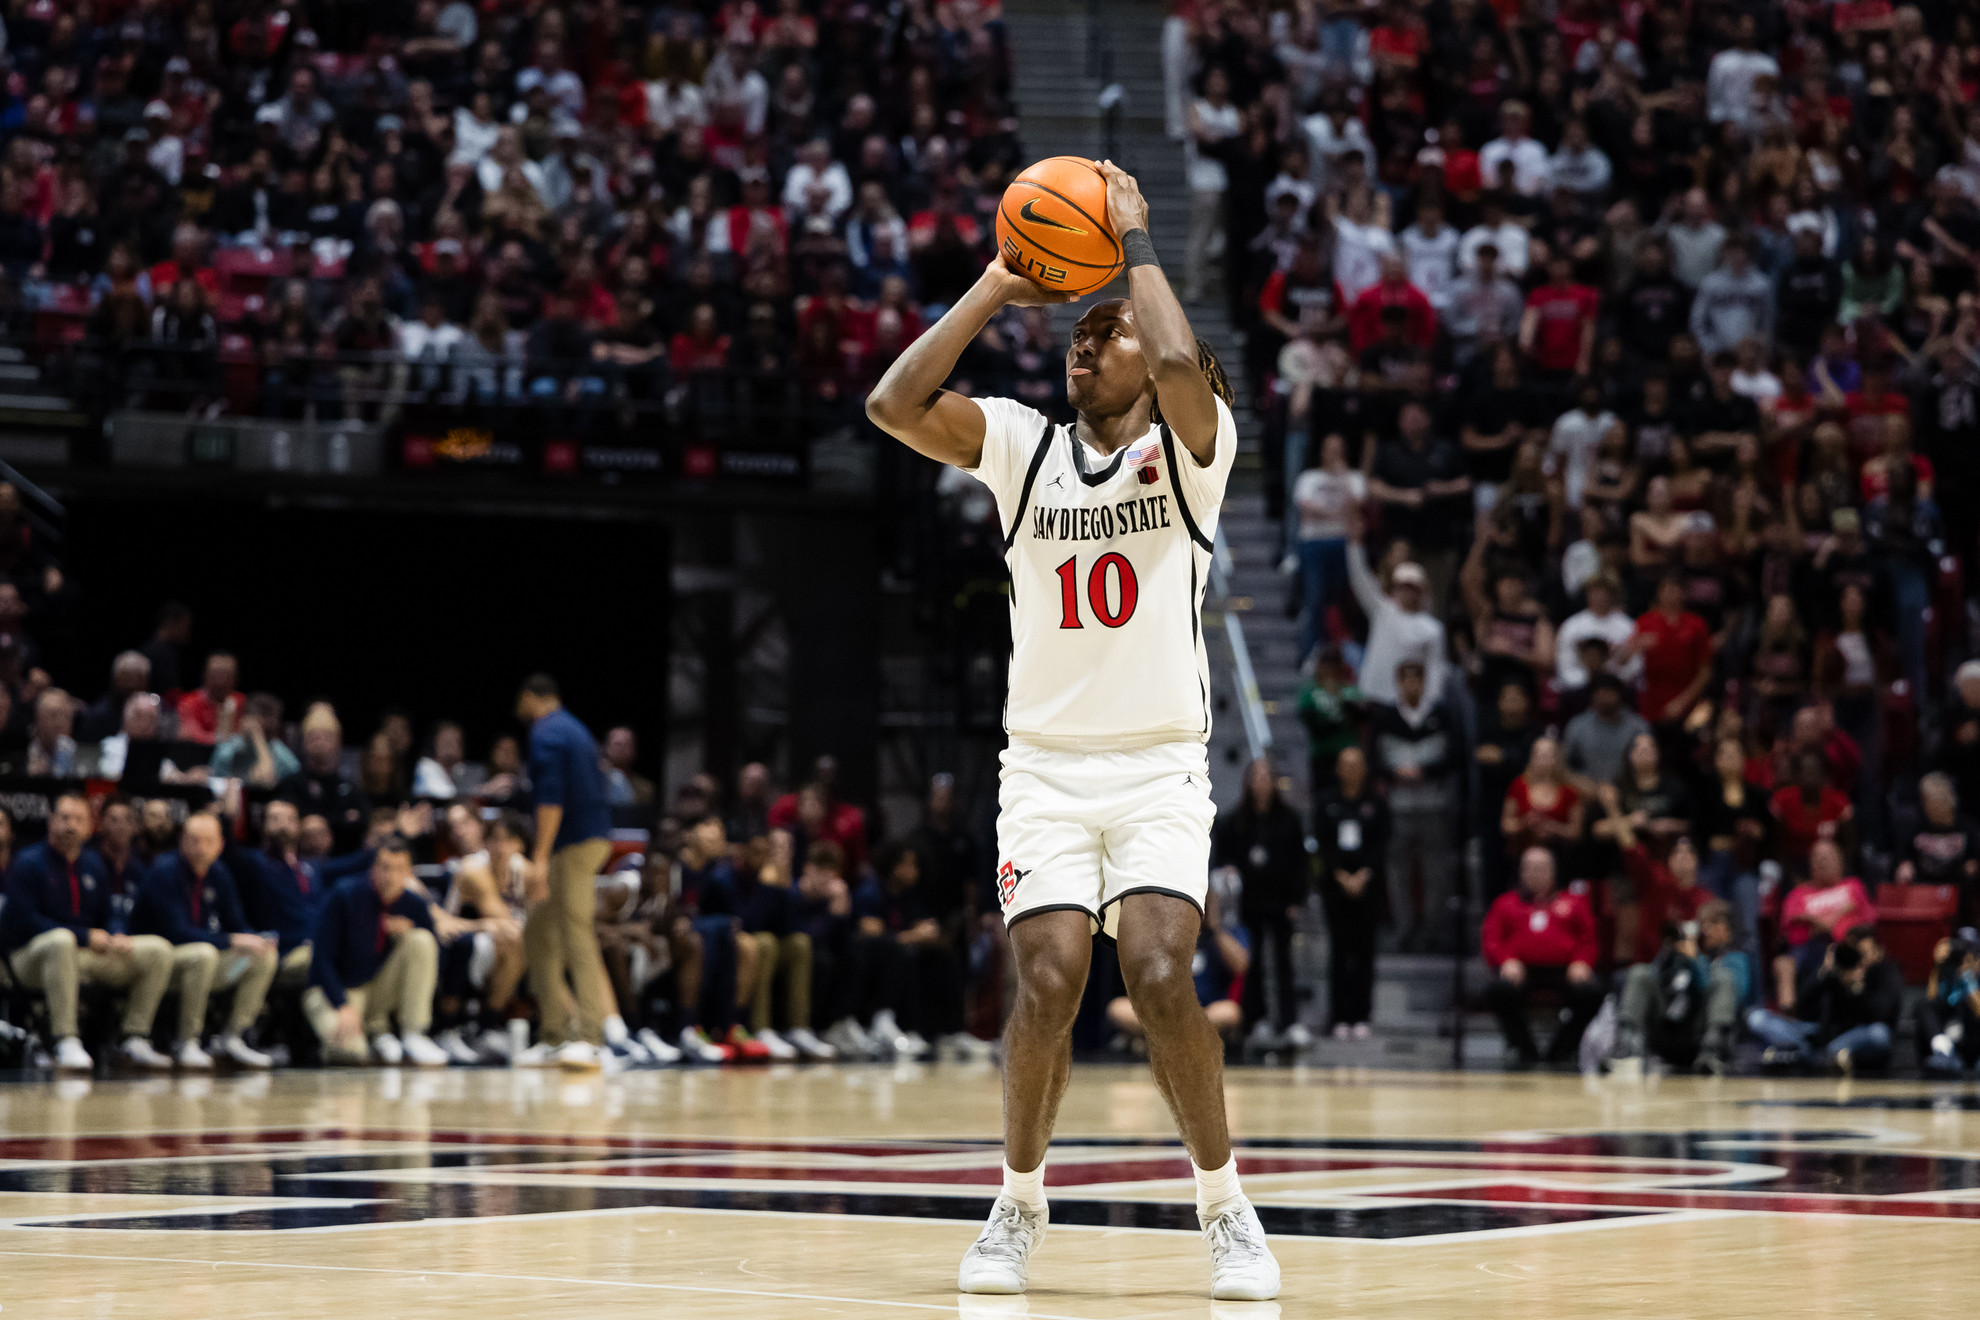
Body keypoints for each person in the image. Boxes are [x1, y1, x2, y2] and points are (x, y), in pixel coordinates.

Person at [864, 161, 1279, 1300]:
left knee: (1153, 970)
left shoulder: (1198, 453)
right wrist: (1000, 284)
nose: (1082, 347)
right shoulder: (1019, 445)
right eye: (1078, 332)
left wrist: (1135, 247)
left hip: (1157, 771)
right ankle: (1017, 1199)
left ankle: (1224, 1203)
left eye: (1108, 335)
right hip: (1044, 772)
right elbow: (892, 405)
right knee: (1044, 982)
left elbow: (1188, 366)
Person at [0, 792, 175, 1072]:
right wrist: (83, 936)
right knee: (61, 941)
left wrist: (116, 932)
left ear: (90, 826)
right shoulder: (28, 862)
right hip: (27, 960)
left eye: (78, 819)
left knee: (157, 950)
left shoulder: (93, 864)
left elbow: (109, 916)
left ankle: (133, 1038)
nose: (70, 825)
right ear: (51, 822)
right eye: (65, 818)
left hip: (83, 955)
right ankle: (65, 1039)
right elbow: (21, 922)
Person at [514, 673, 616, 1070]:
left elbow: (551, 797)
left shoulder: (546, 732)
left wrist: (539, 859)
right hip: (583, 838)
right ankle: (554, 1033)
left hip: (572, 843)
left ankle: (592, 1037)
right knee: (538, 931)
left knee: (576, 930)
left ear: (529, 698)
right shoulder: (574, 728)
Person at [129, 811, 279, 1070]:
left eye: (209, 841)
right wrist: (232, 940)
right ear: (182, 842)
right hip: (163, 964)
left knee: (261, 956)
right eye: (194, 840)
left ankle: (233, 1037)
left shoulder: (219, 873)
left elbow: (236, 923)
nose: (201, 848)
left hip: (204, 964)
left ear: (220, 845)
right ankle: (187, 1040)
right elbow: (176, 932)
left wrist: (256, 939)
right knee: (203, 954)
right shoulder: (164, 872)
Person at [303, 835, 450, 1067]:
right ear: (373, 868)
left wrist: (403, 933)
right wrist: (342, 1004)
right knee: (350, 1053)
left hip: (377, 989)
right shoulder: (344, 896)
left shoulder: (414, 904)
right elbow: (321, 960)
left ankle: (413, 1033)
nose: (390, 876)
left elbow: (437, 961)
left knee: (421, 939)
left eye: (398, 869)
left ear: (409, 872)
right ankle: (373, 1033)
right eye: (384, 867)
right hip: (336, 990)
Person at [1213, 759, 1309, 1049]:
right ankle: (1258, 1020)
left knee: (1283, 963)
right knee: (1252, 966)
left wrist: (1297, 899)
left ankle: (1289, 1022)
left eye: (1267, 776)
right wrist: (1229, 870)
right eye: (1256, 777)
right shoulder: (1234, 820)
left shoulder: (1289, 819)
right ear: (1248, 782)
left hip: (1280, 902)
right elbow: (1221, 860)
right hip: (1249, 905)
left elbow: (1300, 863)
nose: (1261, 782)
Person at [1481, 847, 1602, 1067]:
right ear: (1521, 872)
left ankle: (1562, 1050)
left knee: (1592, 993)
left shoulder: (1574, 902)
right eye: (1530, 868)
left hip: (1564, 971)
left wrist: (1581, 962)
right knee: (1498, 992)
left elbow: (1589, 939)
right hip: (1521, 971)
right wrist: (1505, 960)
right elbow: (1491, 940)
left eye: (1541, 868)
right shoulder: (1505, 904)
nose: (1535, 873)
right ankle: (1525, 1049)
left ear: (1552, 873)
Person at [1371, 660, 1458, 952]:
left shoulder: (1441, 715)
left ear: (1424, 682)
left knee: (1436, 869)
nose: (1412, 686)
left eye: (1417, 679)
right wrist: (1395, 773)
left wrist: (1426, 772)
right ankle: (1404, 928)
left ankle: (1433, 930)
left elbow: (1454, 759)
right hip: (1398, 805)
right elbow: (1374, 761)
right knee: (1398, 870)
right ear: (1398, 683)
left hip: (1434, 804)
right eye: (1406, 680)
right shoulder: (1385, 717)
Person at [1610, 897, 1750, 1076]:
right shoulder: (1688, 953)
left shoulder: (1737, 959)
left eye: (1714, 923)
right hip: (1670, 1029)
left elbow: (1735, 995)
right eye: (1703, 924)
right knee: (1640, 972)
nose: (1706, 930)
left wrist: (1695, 961)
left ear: (1728, 927)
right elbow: (1656, 982)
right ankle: (1627, 1047)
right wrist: (1668, 956)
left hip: (1702, 1039)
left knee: (1723, 978)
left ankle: (1714, 1052)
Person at [1107, 876, 1248, 1045]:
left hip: (1204, 1012)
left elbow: (1241, 965)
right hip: (1164, 1014)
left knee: (1229, 1012)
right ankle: (1177, 1039)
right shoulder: (1165, 933)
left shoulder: (1223, 933)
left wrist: (1215, 926)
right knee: (1118, 1008)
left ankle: (1169, 1040)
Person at [1747, 925, 1901, 1073]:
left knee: (1880, 1033)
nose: (1859, 960)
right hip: (1818, 1032)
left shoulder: (1887, 972)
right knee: (1757, 1018)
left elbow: (1880, 1014)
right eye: (1854, 953)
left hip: (1855, 1034)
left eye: (1864, 954)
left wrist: (1856, 988)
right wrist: (1824, 973)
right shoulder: (1836, 971)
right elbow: (1801, 1005)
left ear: (1878, 952)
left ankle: (1802, 1055)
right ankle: (1813, 1055)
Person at [1315, 746, 1385, 1038]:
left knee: (1365, 952)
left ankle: (1362, 1015)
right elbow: (1322, 844)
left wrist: (1363, 874)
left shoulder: (1376, 803)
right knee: (1339, 952)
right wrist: (1342, 876)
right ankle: (1340, 1016)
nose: (1351, 770)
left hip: (1368, 889)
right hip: (1336, 889)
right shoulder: (1327, 802)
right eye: (1346, 764)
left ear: (1364, 769)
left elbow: (1382, 843)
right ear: (1338, 769)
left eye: (1357, 764)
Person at [1345, 507, 1448, 705]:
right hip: (1373, 694)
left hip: (1407, 702)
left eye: (1412, 588)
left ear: (1421, 591)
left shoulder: (1432, 628)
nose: (1406, 592)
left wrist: (1431, 703)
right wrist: (1354, 543)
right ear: (1394, 589)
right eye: (1402, 587)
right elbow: (1359, 577)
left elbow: (1436, 669)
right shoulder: (1382, 610)